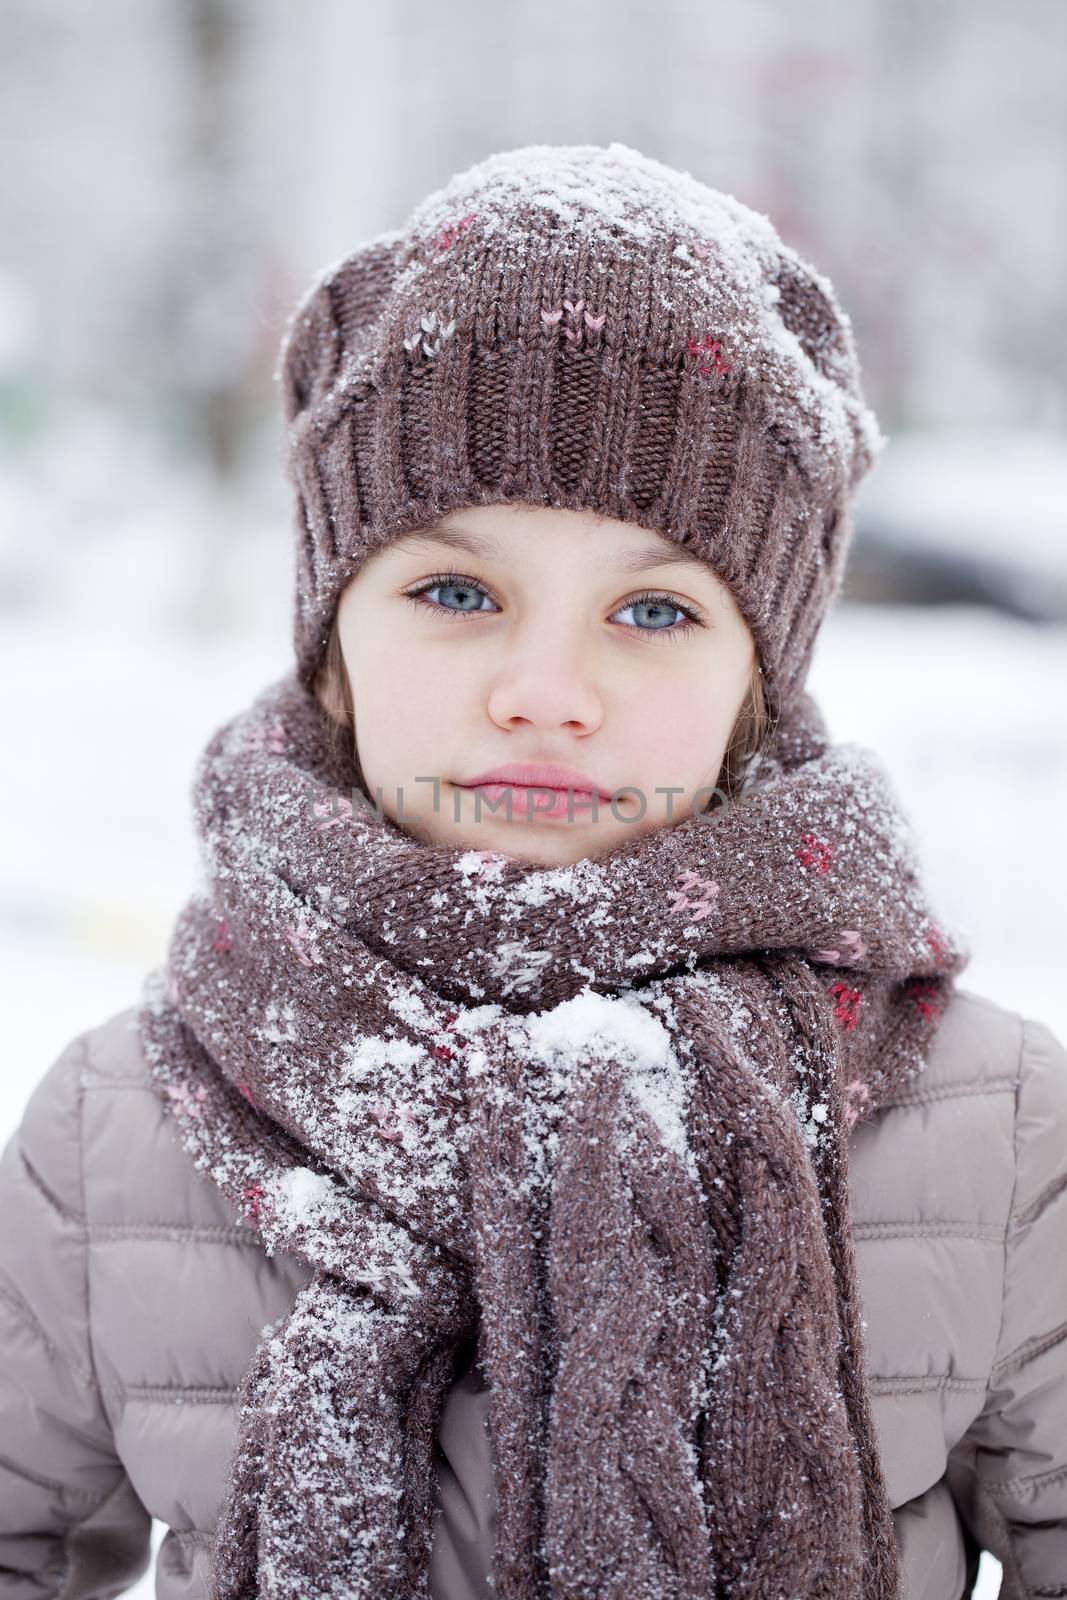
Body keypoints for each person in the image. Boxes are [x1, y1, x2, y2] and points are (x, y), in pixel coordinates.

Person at [1, 142, 1064, 1600]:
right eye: (455, 591)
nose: (547, 689)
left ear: (761, 675)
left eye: (653, 607)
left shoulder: (994, 1131)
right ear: (334, 644)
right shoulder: (118, 1128)